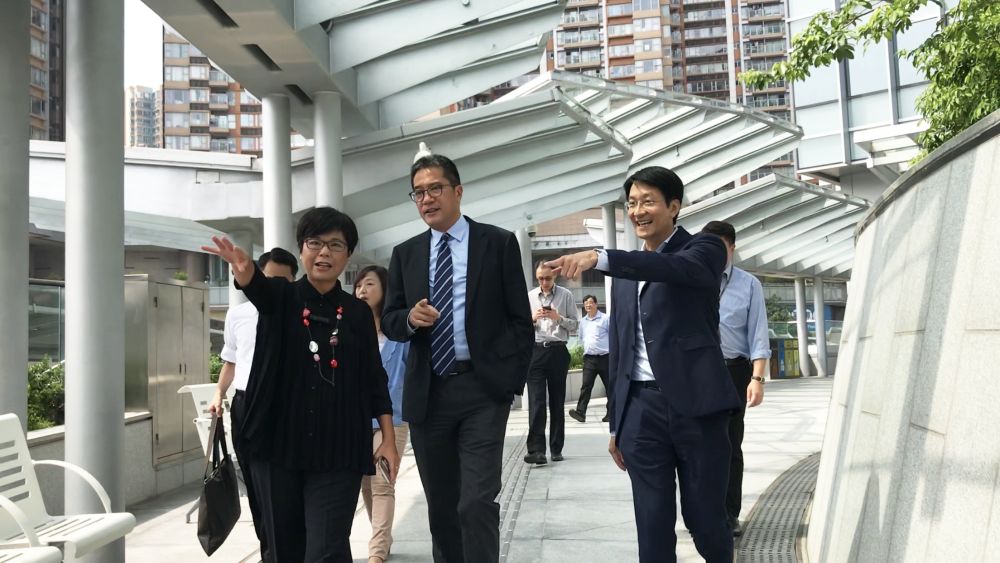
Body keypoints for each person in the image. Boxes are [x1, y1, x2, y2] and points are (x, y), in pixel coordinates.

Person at [546, 166, 741, 563]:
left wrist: (600, 257)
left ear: (674, 206)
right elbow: (621, 344)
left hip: (698, 410)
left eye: (647, 201)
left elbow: (673, 269)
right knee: (651, 524)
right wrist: (618, 421)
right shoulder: (625, 271)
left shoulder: (704, 250)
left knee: (705, 521)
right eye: (632, 203)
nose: (637, 211)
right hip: (641, 413)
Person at [202, 207, 401, 563]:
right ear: (302, 249)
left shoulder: (356, 314)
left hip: (338, 451)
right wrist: (245, 272)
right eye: (315, 243)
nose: (324, 252)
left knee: (326, 550)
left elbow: (374, 378)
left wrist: (387, 439)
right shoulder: (280, 297)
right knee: (283, 549)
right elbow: (258, 287)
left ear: (348, 254)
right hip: (278, 448)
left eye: (335, 245)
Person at [381, 153, 534, 563]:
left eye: (435, 189)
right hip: (429, 393)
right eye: (418, 193)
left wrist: (508, 384)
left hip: (482, 390)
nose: (427, 199)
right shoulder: (406, 253)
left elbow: (521, 320)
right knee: (443, 507)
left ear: (458, 191)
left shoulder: (497, 243)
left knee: (477, 501)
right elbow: (391, 319)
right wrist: (410, 319)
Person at [208, 247, 297, 562]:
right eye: (268, 279)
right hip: (245, 405)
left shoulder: (297, 315)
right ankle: (268, 551)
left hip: (281, 408)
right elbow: (230, 362)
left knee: (279, 490)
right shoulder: (238, 314)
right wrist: (219, 393)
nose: (272, 289)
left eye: (282, 283)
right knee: (257, 488)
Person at [701, 220, 769, 537]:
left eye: (719, 246)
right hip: (697, 370)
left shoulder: (749, 284)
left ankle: (728, 514)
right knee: (696, 444)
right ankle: (702, 512)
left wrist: (758, 378)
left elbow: (758, 335)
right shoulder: (694, 280)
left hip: (733, 371)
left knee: (729, 445)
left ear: (732, 247)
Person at [355, 265, 410, 563]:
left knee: (382, 483)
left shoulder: (400, 337)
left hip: (394, 419)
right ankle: (384, 539)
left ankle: (376, 553)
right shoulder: (349, 333)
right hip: (355, 421)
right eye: (359, 285)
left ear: (384, 290)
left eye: (369, 284)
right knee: (365, 483)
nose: (362, 290)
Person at [523, 260, 578, 465]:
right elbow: (519, 326)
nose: (544, 282)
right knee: (537, 402)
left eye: (547, 278)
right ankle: (536, 450)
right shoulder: (529, 297)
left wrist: (558, 318)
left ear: (554, 276)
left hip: (557, 351)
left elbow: (574, 323)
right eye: (540, 278)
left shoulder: (566, 295)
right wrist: (532, 319)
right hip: (536, 351)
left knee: (557, 401)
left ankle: (556, 448)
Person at [568, 294, 611, 424]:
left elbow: (613, 337)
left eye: (591, 302)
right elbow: (582, 339)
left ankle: (611, 414)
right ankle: (580, 413)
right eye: (586, 303)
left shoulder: (605, 318)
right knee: (586, 386)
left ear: (596, 304)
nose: (588, 305)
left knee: (610, 387)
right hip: (589, 359)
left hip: (605, 358)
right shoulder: (583, 322)